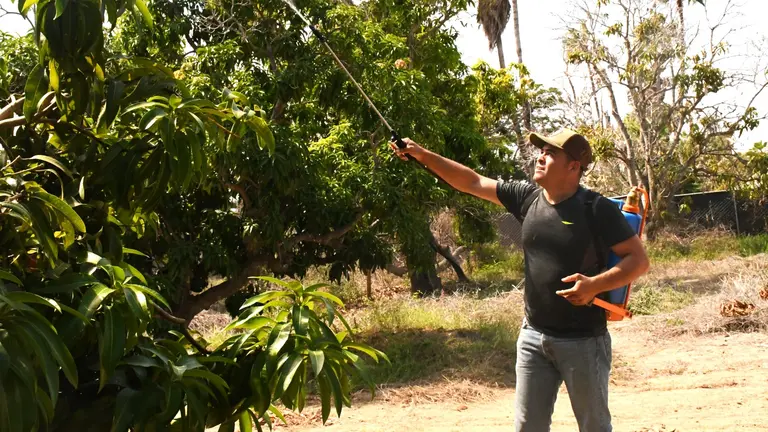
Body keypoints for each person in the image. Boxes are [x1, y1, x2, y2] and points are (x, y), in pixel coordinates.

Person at [391, 129, 650, 432]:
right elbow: (472, 181)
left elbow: (638, 260)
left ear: (573, 166)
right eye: (542, 151)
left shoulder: (596, 209)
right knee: (528, 427)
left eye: (550, 153)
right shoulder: (526, 198)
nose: (540, 157)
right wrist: (422, 154)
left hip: (583, 341)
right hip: (533, 337)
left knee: (594, 427)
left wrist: (595, 285)